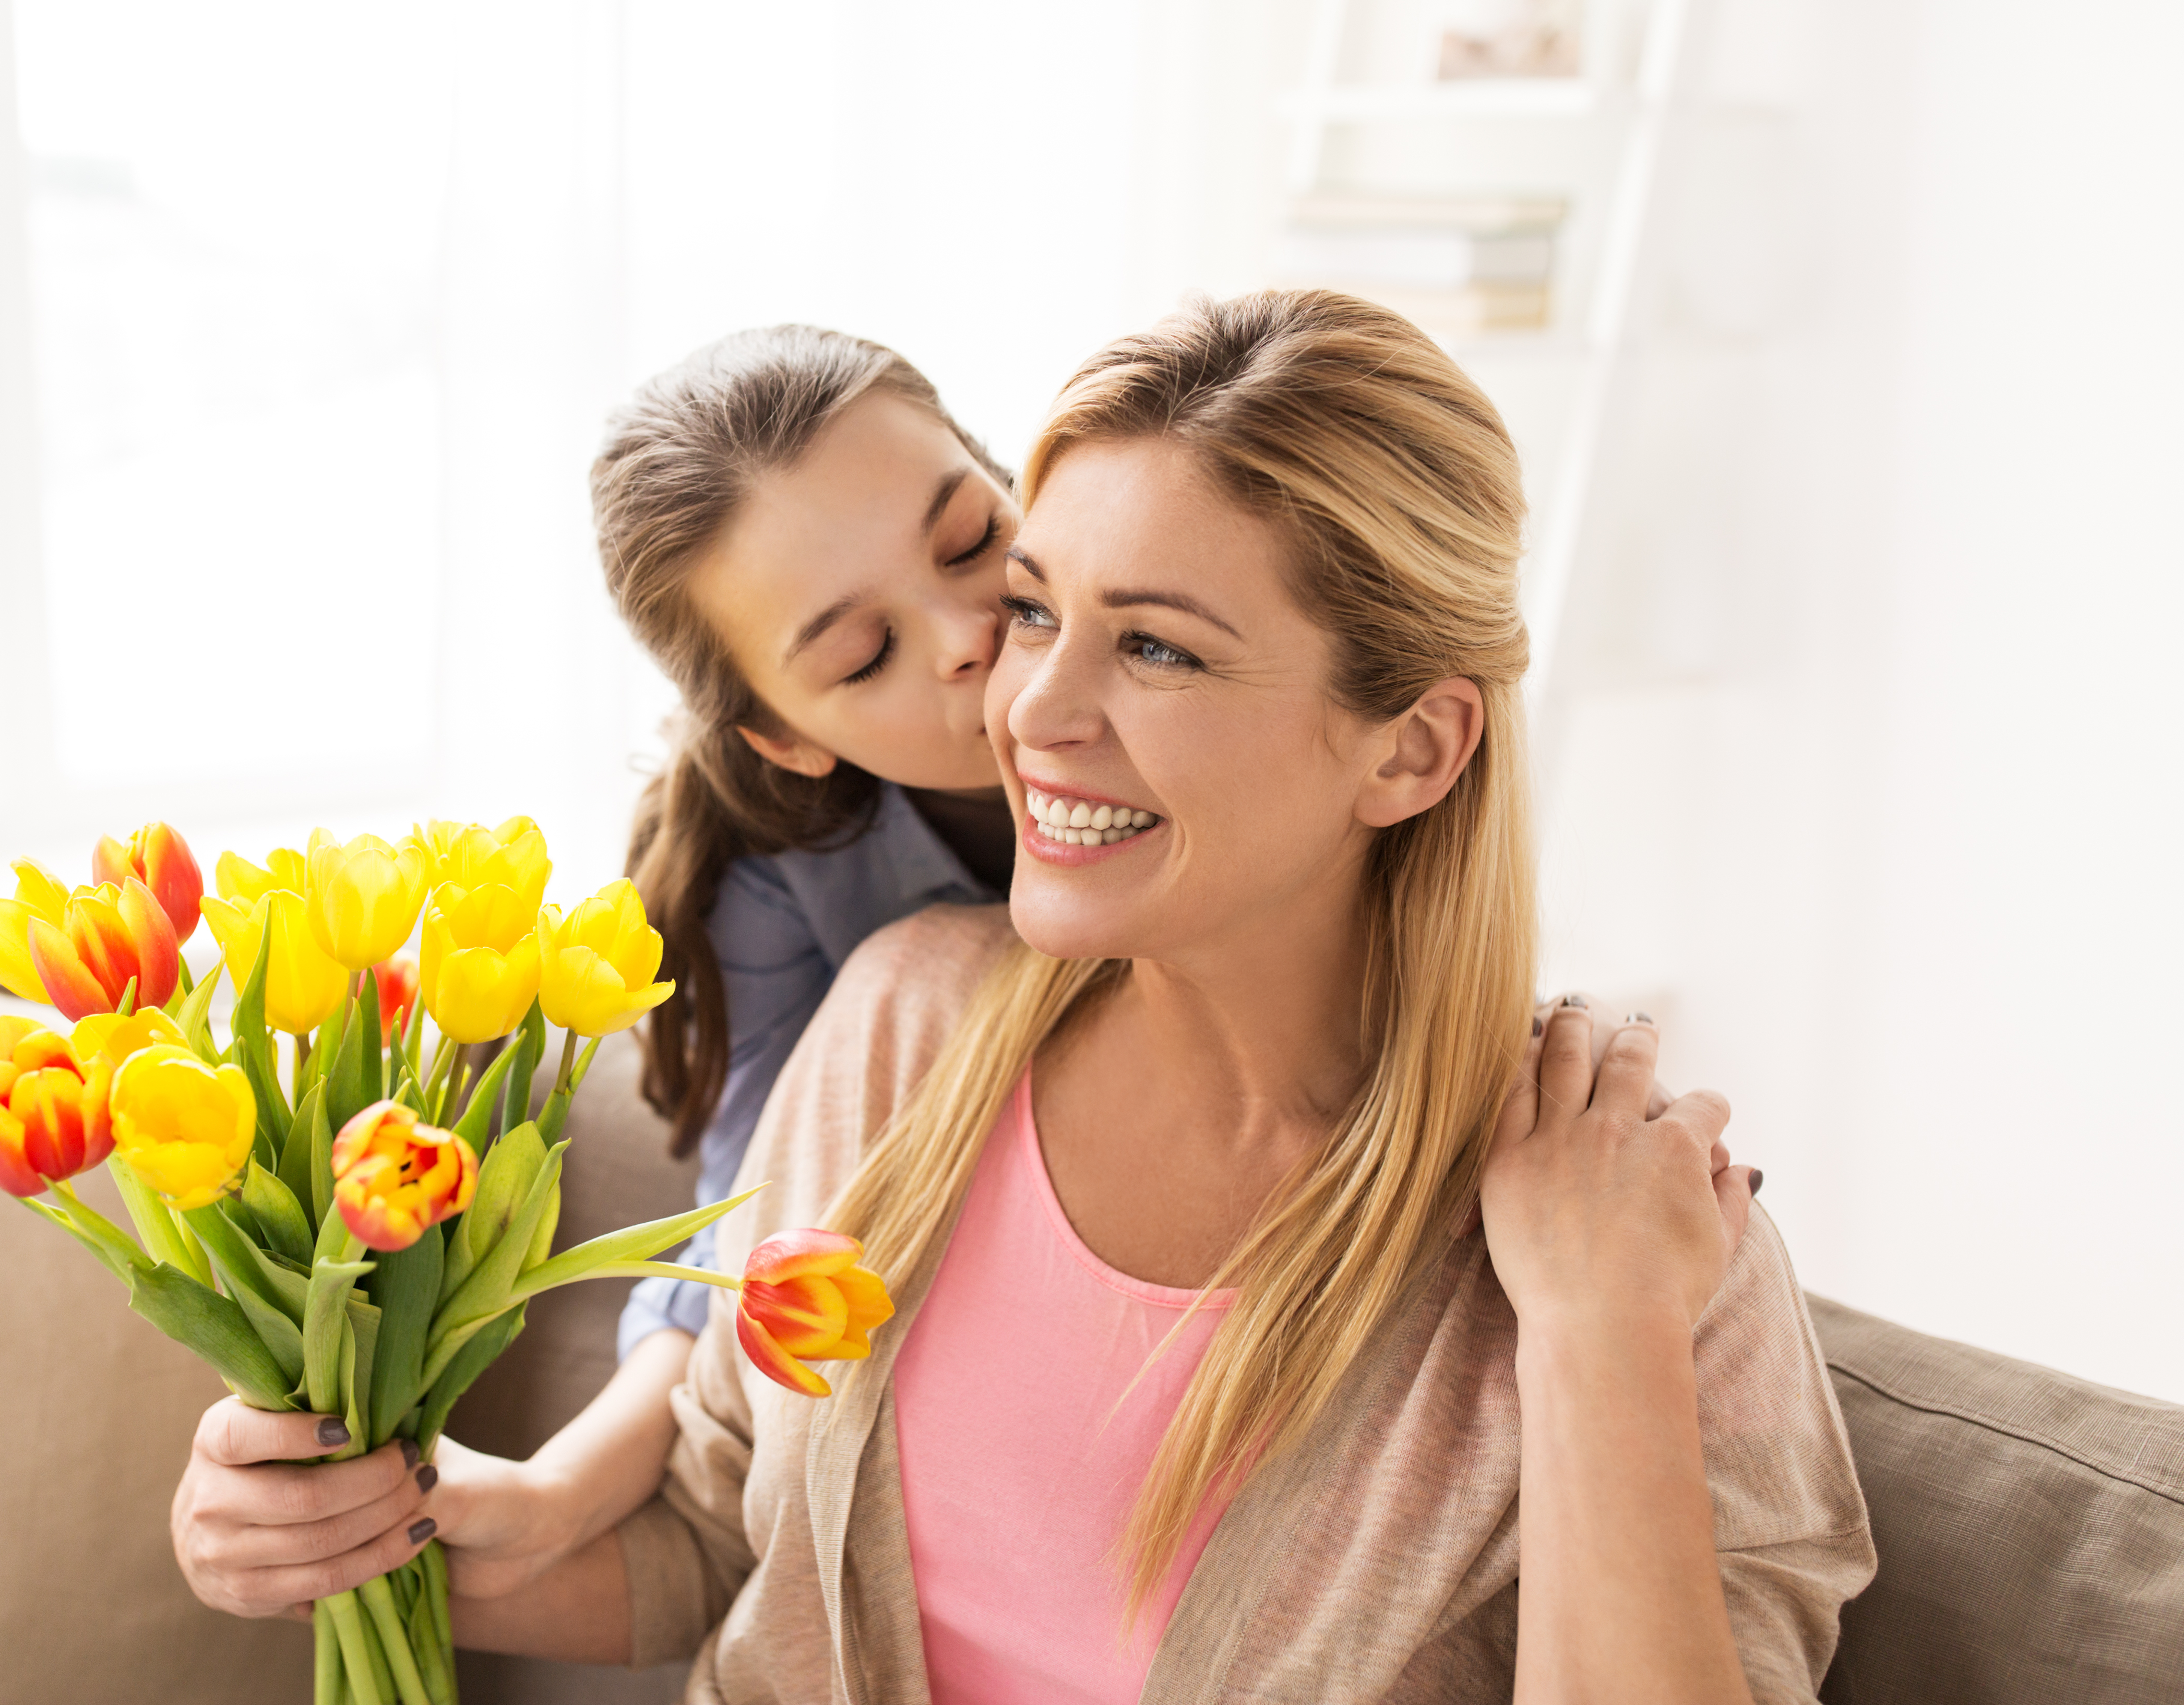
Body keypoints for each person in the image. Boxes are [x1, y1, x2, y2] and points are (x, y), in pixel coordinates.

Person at [432, 292, 1875, 1701]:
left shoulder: (1634, 1239)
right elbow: (717, 1532)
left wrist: (1597, 1333)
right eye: (1037, 609)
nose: (1024, 705)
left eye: (1156, 645)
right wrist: (372, 1526)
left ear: (1410, 751)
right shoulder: (896, 1024)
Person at [172, 327, 1027, 1614]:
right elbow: (747, 1227)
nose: (971, 633)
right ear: (787, 738)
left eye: (971, 537)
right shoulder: (793, 881)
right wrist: (555, 1492)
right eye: (861, 657)